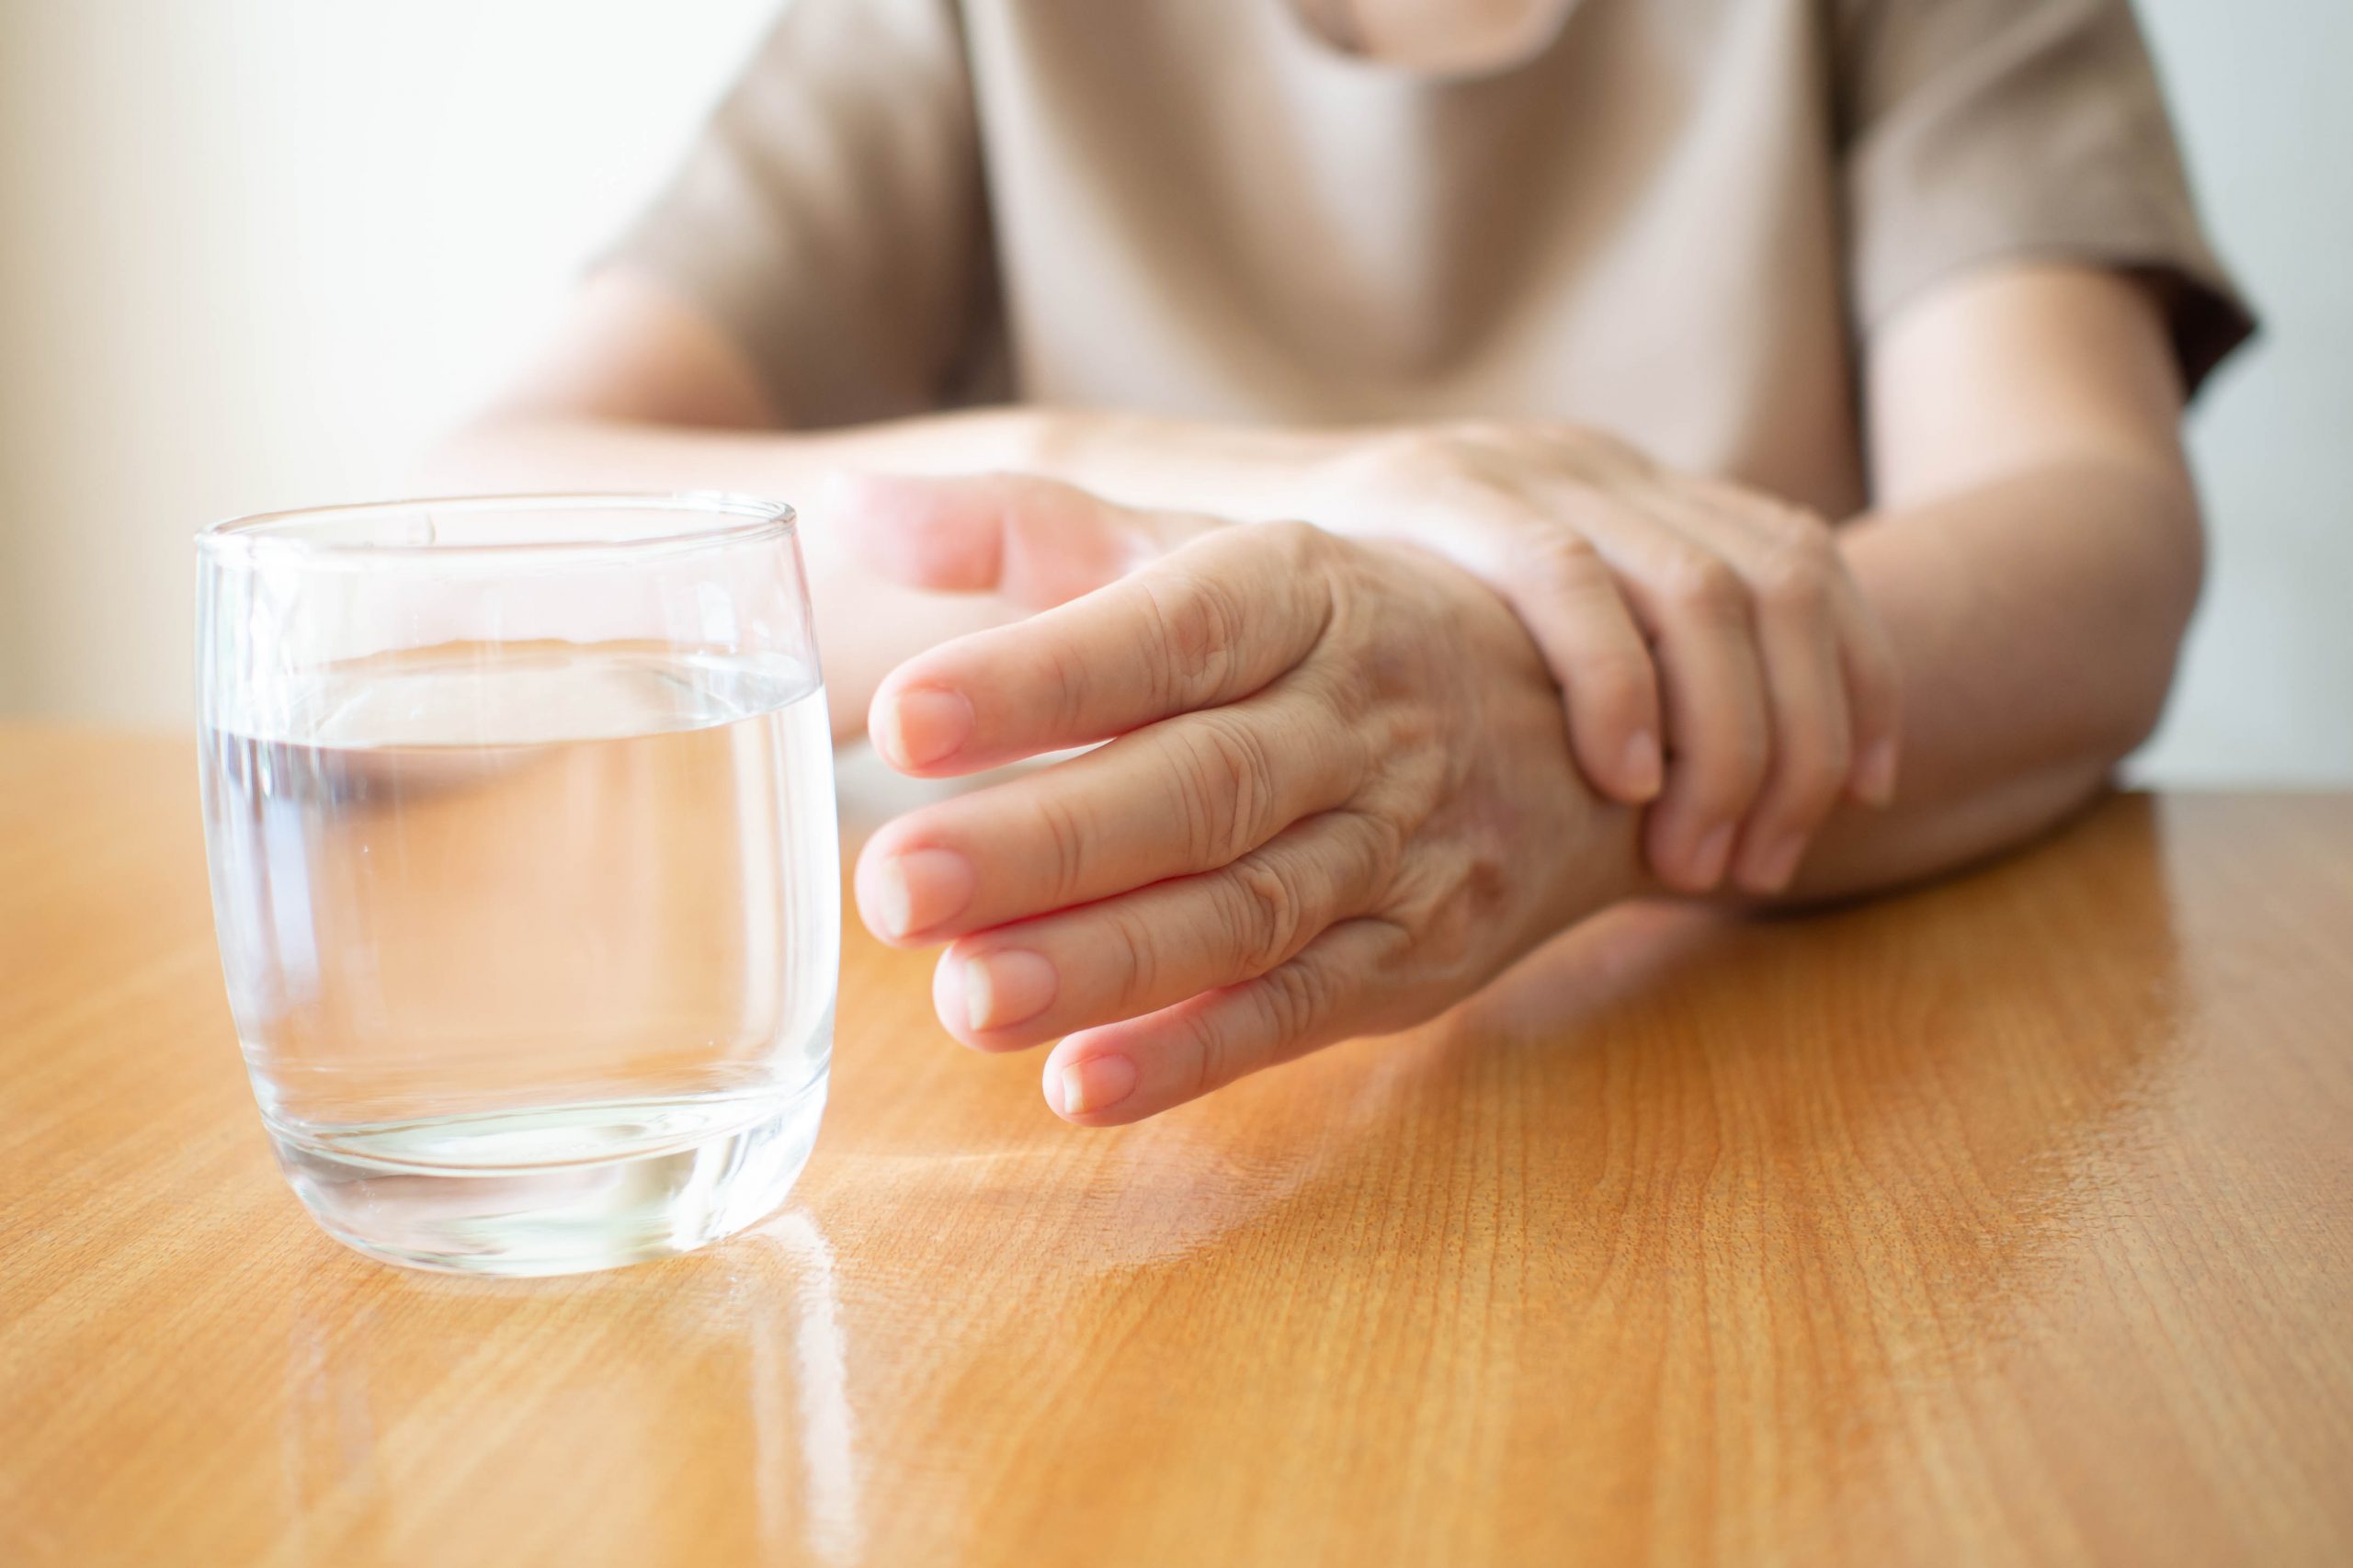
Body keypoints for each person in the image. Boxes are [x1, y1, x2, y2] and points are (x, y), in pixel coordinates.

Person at [436, 0, 2252, 1125]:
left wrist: (1536, 765)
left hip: (1798, 1066)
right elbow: (488, 535)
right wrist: (1299, 496)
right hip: (1122, 1102)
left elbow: (2091, 541)